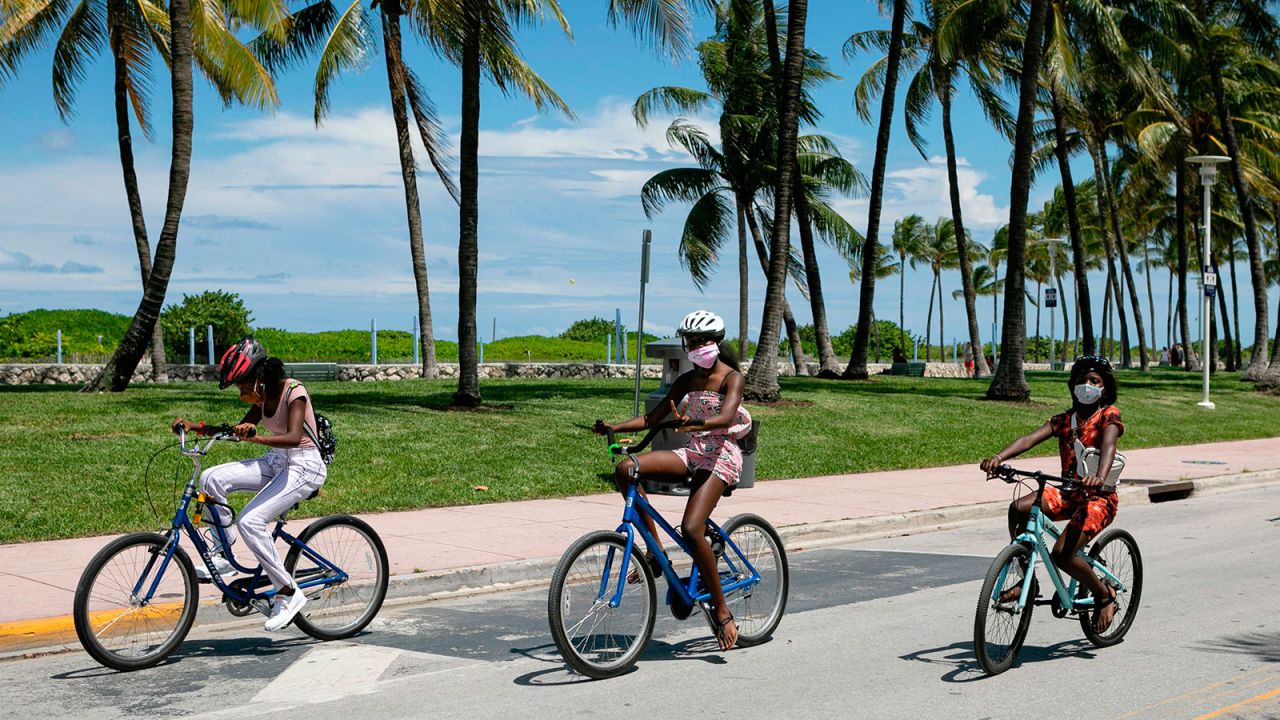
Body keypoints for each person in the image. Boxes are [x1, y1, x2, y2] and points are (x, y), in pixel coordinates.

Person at [595, 310, 752, 651]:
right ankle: (655, 551)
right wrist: (614, 428)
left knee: (693, 529)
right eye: (691, 342)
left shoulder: (731, 378)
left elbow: (726, 417)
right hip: (694, 452)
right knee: (627, 469)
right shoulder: (686, 381)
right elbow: (651, 418)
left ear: (717, 343)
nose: (697, 347)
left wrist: (695, 424)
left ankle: (723, 611)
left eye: (703, 341)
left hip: (722, 456)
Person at [171, 336, 328, 632]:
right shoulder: (262, 399)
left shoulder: (294, 391)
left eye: (242, 384)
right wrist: (197, 427)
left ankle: (288, 592)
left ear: (258, 378)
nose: (241, 391)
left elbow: (294, 437)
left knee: (251, 521)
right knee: (211, 478)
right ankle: (222, 556)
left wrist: (256, 436)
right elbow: (237, 430)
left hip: (305, 465)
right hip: (277, 462)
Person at [979, 355, 1124, 632]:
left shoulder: (1109, 416)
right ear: (1073, 386)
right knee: (1019, 508)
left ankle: (1105, 595)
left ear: (1104, 388)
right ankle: (1027, 580)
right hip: (1069, 494)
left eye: (1094, 381)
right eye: (1081, 380)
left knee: (1062, 554)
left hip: (1098, 498)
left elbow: (1109, 447)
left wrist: (1099, 478)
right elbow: (1029, 439)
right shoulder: (1064, 420)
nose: (1087, 385)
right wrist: (998, 458)